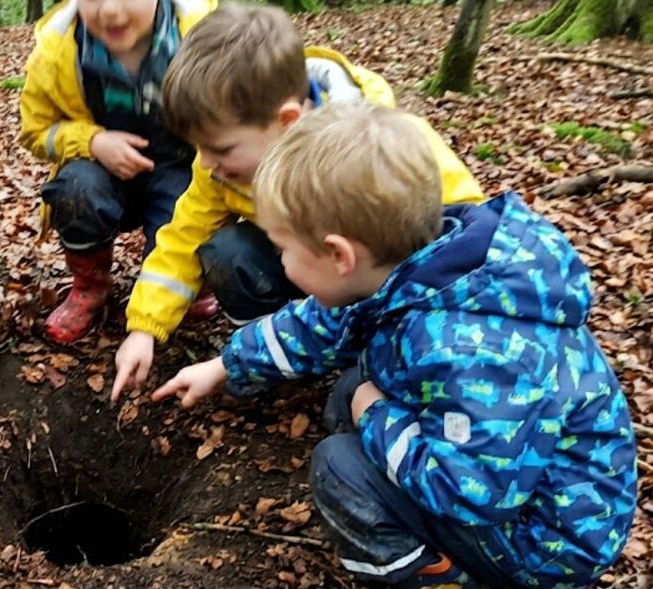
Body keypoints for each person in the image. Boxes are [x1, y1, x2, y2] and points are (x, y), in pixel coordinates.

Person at [153, 103, 637, 589]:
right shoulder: (422, 270)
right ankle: (391, 500)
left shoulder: (471, 352)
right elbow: (324, 323)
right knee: (354, 392)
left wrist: (377, 416)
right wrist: (226, 365)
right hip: (514, 477)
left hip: (548, 534)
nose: (278, 260)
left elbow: (471, 492)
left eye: (282, 247)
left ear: (338, 254)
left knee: (340, 464)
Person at [111, 3, 484, 401]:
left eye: (219, 148)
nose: (204, 162)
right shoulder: (222, 168)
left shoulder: (385, 148)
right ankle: (272, 356)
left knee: (353, 397)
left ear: (286, 121)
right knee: (228, 252)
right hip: (308, 277)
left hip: (399, 295)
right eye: (198, 147)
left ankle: (361, 354)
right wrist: (144, 327)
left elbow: (465, 232)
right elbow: (181, 239)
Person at [18, 0, 218, 344]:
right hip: (101, 173)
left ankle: (184, 283)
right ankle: (90, 286)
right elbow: (35, 131)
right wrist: (92, 141)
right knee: (75, 187)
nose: (110, 11)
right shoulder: (59, 47)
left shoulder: (203, 32)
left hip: (178, 168)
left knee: (186, 210)